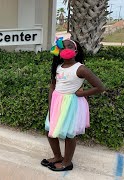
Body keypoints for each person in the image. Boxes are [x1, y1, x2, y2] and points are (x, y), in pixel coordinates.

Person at [41, 38, 105, 171]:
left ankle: (67, 162)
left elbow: (99, 87)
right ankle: (57, 156)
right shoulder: (58, 67)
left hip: (71, 105)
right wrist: (50, 104)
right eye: (63, 47)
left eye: (70, 46)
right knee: (49, 129)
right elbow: (52, 87)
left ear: (76, 51)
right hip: (57, 103)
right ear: (59, 51)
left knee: (70, 134)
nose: (66, 49)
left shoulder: (80, 69)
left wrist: (81, 94)